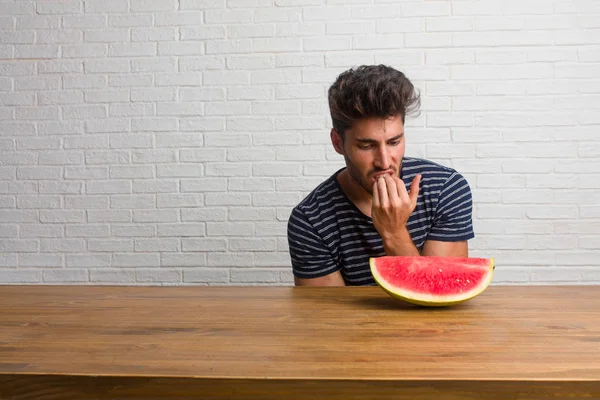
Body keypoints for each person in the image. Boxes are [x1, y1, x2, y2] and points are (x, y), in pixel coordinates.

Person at [287, 65, 475, 286]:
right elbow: (329, 316)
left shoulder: (446, 189)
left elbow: (441, 292)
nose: (385, 162)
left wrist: (393, 232)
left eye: (394, 142)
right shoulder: (310, 220)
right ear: (338, 143)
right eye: (366, 146)